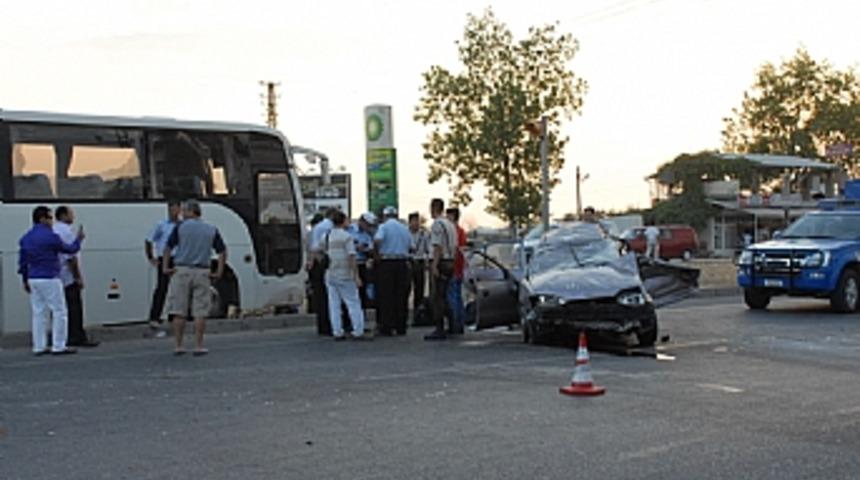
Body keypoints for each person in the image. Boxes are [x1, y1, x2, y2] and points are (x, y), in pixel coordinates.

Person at [18, 206, 85, 355]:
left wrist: (24, 279)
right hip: (50, 277)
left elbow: (22, 262)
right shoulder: (50, 236)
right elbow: (69, 249)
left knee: (39, 313)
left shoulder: (26, 238)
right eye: (49, 218)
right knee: (59, 311)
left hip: (33, 278)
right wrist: (79, 239)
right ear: (42, 219)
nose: (51, 222)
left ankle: (39, 346)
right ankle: (58, 345)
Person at [163, 200, 227, 356]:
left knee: (179, 310)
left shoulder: (180, 228)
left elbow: (168, 247)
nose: (182, 214)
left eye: (184, 210)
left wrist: (166, 267)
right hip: (202, 272)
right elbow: (222, 251)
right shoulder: (211, 229)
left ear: (191, 212)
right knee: (200, 311)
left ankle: (179, 345)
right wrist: (218, 271)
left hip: (182, 271)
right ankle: (199, 345)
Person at [53, 206, 99, 347]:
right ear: (63, 215)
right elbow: (71, 258)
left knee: (62, 307)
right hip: (68, 276)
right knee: (74, 307)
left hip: (57, 275)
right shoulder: (67, 232)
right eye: (71, 214)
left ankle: (66, 335)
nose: (73, 217)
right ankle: (76, 336)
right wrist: (78, 277)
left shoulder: (54, 230)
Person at [325, 210, 367, 340]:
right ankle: (358, 330)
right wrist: (356, 276)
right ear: (343, 221)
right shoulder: (347, 237)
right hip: (345, 274)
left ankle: (337, 331)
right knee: (353, 302)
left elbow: (319, 249)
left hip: (331, 273)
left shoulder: (328, 235)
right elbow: (351, 257)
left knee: (334, 304)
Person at [373, 206, 412, 336]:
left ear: (385, 216)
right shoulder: (404, 228)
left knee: (386, 296)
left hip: (387, 263)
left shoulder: (383, 227)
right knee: (401, 295)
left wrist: (376, 254)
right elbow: (412, 246)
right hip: (402, 263)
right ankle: (401, 326)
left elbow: (377, 240)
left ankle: (387, 326)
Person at [145, 200, 181, 336]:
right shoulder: (162, 225)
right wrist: (151, 257)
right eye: (172, 209)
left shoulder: (182, 225)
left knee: (178, 289)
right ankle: (154, 316)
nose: (174, 212)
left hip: (177, 258)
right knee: (162, 287)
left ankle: (174, 315)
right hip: (164, 258)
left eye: (177, 209)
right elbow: (149, 240)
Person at [425, 199, 458, 341]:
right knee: (445, 295)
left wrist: (434, 265)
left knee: (437, 297)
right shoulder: (450, 225)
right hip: (450, 260)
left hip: (441, 261)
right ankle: (452, 324)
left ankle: (439, 328)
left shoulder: (437, 224)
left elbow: (437, 246)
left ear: (434, 208)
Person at [308, 209, 336, 335]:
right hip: (324, 262)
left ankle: (323, 325)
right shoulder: (328, 228)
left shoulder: (319, 227)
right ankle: (327, 325)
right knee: (326, 296)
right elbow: (317, 248)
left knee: (321, 296)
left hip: (319, 262)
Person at [445, 207, 468, 335]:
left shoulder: (452, 232)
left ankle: (454, 323)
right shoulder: (462, 232)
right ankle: (459, 323)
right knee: (458, 297)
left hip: (453, 267)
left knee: (452, 297)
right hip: (460, 267)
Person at [348, 212, 377, 309]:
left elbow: (370, 247)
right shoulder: (350, 230)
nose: (368, 227)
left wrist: (367, 250)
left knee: (362, 290)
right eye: (367, 224)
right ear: (361, 221)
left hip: (362, 263)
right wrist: (356, 247)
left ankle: (362, 312)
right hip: (350, 264)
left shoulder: (367, 235)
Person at [408, 212, 431, 326]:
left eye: (417, 221)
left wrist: (427, 260)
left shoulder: (424, 234)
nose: (416, 224)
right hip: (409, 261)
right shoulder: (406, 233)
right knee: (406, 288)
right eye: (414, 221)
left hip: (420, 261)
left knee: (419, 289)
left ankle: (418, 314)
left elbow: (428, 249)